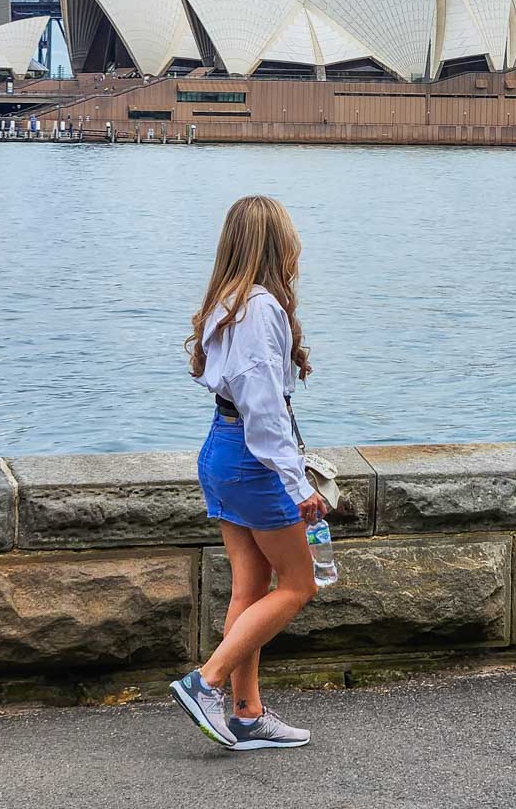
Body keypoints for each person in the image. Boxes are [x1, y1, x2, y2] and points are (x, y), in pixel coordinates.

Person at [169, 195, 328, 751]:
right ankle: (205, 682)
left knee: (250, 585)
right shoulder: (262, 309)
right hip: (254, 458)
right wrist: (299, 483)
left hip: (222, 448)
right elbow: (265, 410)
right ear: (276, 244)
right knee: (300, 584)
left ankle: (247, 714)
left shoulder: (227, 302)